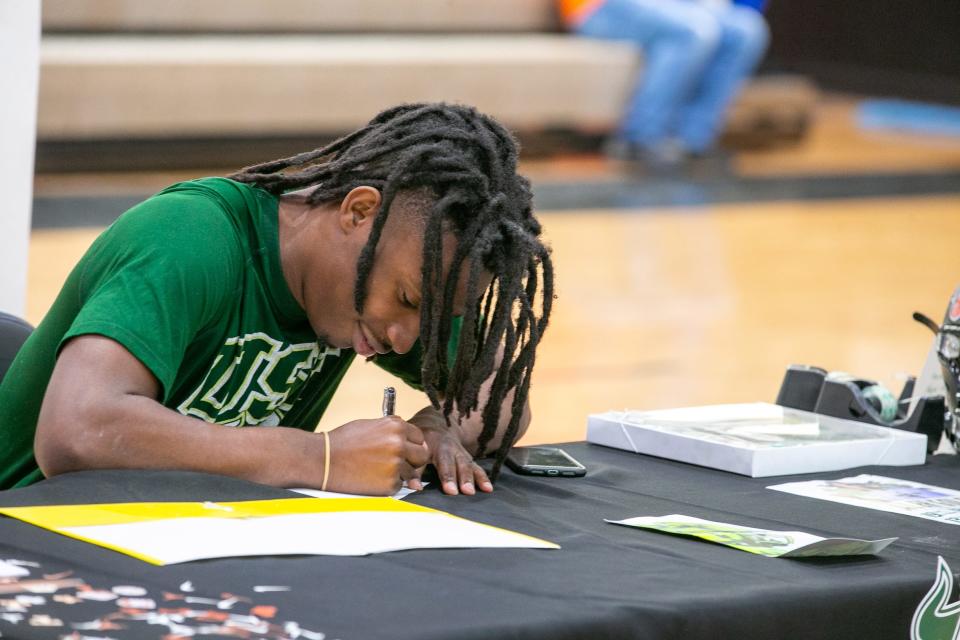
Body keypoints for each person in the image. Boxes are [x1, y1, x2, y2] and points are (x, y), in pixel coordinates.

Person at [0, 103, 554, 497]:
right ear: (359, 212)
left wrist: (441, 427)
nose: (406, 337)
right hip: (31, 541)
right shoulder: (189, 238)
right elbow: (77, 433)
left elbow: (503, 394)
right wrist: (320, 458)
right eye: (407, 299)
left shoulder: (381, 297)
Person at [558, 0, 769, 166]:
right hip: (599, 6)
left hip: (675, 6)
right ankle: (639, 139)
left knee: (746, 29)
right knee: (692, 29)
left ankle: (692, 141)